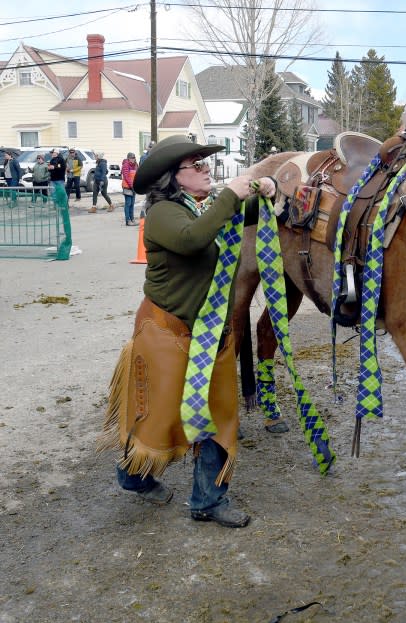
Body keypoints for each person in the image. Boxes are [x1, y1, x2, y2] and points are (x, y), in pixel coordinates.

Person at [98, 135, 275, 528]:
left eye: (205, 163)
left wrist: (268, 189)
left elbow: (245, 214)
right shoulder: (163, 214)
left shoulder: (206, 205)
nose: (206, 168)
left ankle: (209, 500)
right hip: (165, 332)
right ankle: (134, 475)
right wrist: (231, 194)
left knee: (217, 415)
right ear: (172, 178)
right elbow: (192, 240)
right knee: (154, 417)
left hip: (212, 332)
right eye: (196, 165)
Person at [121, 152, 138, 225]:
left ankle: (132, 219)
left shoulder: (136, 165)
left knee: (132, 204)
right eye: (131, 158)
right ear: (128, 158)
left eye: (134, 158)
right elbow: (127, 177)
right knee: (128, 203)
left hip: (133, 187)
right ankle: (128, 220)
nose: (133, 159)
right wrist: (132, 186)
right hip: (127, 187)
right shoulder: (125, 165)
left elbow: (137, 175)